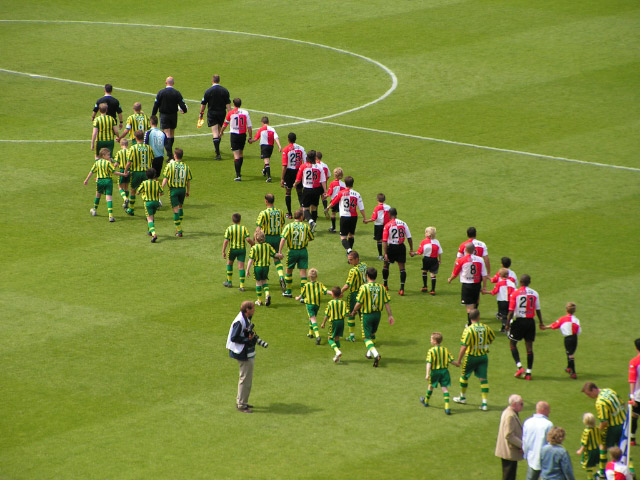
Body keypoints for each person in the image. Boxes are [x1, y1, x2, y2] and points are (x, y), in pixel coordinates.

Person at [350, 267, 395, 368]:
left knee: (366, 337)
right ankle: (369, 353)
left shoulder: (364, 287)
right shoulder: (382, 287)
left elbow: (359, 302)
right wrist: (390, 315)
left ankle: (376, 354)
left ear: (367, 276)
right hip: (377, 315)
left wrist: (354, 311)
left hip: (367, 315)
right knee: (372, 333)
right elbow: (386, 303)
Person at [451, 309, 495, 411]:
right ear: (479, 317)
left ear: (470, 318)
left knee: (464, 377)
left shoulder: (468, 330)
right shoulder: (486, 327)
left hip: (471, 357)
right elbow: (492, 338)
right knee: (483, 379)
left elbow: (464, 347)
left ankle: (462, 397)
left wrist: (458, 360)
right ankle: (484, 404)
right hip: (483, 357)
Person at [581, 382, 627, 476]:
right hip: (623, 424)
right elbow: (623, 404)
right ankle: (629, 469)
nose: (589, 397)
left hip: (612, 428)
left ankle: (602, 473)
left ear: (593, 390)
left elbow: (604, 422)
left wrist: (598, 431)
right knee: (622, 448)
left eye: (589, 394)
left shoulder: (600, 402)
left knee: (603, 446)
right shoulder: (610, 391)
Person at [507, 274, 544, 380]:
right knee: (529, 347)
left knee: (512, 343)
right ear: (529, 282)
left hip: (519, 322)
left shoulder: (515, 293)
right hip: (530, 322)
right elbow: (538, 309)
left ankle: (519, 367)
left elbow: (511, 311)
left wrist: (507, 324)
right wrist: (541, 322)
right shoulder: (535, 293)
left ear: (521, 282)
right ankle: (529, 373)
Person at [226, 301, 258, 413]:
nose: (254, 310)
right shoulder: (239, 321)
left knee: (246, 379)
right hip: (242, 353)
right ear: (247, 310)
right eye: (252, 308)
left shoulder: (246, 318)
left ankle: (243, 401)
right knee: (245, 379)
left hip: (246, 352)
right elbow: (233, 337)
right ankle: (241, 405)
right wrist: (247, 340)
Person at [448, 242, 489, 324]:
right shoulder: (480, 259)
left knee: (469, 307)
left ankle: (470, 324)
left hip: (467, 286)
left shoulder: (461, 260)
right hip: (477, 284)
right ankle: (475, 320)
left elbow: (455, 273)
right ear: (474, 250)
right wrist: (484, 287)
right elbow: (484, 275)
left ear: (465, 250)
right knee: (475, 302)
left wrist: (450, 279)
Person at [279, 209, 314, 298]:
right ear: (301, 217)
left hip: (292, 251)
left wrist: (279, 251)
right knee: (303, 273)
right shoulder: (306, 227)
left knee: (289, 271)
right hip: (303, 251)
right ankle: (303, 295)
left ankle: (289, 291)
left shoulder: (289, 226)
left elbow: (283, 239)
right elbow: (310, 238)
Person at [83, 147, 126, 222]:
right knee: (109, 198)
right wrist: (123, 174)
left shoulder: (97, 163)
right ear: (103, 155)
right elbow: (114, 172)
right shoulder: (108, 163)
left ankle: (95, 209)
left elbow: (92, 172)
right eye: (108, 155)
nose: (109, 156)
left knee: (98, 195)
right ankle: (110, 216)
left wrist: (86, 180)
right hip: (108, 181)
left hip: (100, 181)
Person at [329, 176, 367, 257]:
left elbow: (333, 202)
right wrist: (364, 218)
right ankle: (349, 253)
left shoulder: (341, 193)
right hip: (354, 217)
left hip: (344, 216)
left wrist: (327, 208)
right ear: (353, 183)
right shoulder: (357, 194)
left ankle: (349, 250)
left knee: (343, 237)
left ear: (345, 183)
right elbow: (361, 208)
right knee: (351, 235)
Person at [255, 193, 287, 291]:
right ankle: (281, 276)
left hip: (267, 239)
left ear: (266, 201)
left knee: (263, 260)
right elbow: (282, 223)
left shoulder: (263, 213)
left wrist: (254, 240)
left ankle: (262, 281)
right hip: (277, 237)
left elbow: (258, 229)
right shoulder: (280, 212)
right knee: (277, 259)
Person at [151, 76, 188, 159]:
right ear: (173, 83)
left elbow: (156, 105)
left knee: (166, 134)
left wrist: (153, 115)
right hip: (173, 115)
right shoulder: (176, 93)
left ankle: (170, 155)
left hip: (164, 115)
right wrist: (184, 110)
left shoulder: (161, 92)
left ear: (165, 83)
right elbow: (182, 104)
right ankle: (170, 153)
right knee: (171, 133)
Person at [542, 303, 581, 379]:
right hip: (575, 338)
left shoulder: (563, 319)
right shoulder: (576, 320)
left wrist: (545, 327)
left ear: (566, 310)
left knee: (570, 354)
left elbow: (554, 325)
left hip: (568, 338)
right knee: (570, 352)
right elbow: (579, 330)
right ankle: (569, 368)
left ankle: (573, 373)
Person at [245, 229, 283, 307]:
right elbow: (274, 254)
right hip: (266, 267)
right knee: (265, 282)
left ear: (255, 238)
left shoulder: (254, 248)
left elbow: (250, 260)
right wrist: (280, 255)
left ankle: (259, 300)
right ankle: (267, 294)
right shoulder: (268, 246)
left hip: (257, 268)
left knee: (258, 283)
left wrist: (247, 270)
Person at [420, 332, 454, 415]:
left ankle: (426, 401)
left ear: (435, 341)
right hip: (445, 372)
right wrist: (457, 363)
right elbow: (451, 360)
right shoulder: (445, 349)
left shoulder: (431, 351)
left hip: (435, 372)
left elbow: (429, 363)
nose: (430, 340)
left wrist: (427, 373)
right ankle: (447, 407)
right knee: (444, 388)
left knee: (431, 386)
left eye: (431, 339)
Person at [293, 149, 327, 233]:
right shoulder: (320, 167)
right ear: (315, 157)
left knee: (305, 208)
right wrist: (325, 191)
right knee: (314, 208)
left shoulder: (303, 166)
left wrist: (295, 184)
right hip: (316, 189)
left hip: (307, 189)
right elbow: (323, 180)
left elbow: (298, 178)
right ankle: (313, 226)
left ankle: (311, 222)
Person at [381, 208, 413, 296]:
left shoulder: (387, 225)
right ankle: (402, 289)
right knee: (402, 268)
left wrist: (385, 253)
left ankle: (385, 285)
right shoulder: (403, 223)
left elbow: (384, 240)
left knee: (386, 265)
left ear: (389, 215)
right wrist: (411, 249)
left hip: (391, 247)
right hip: (401, 247)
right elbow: (409, 237)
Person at [123, 130, 155, 216]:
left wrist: (125, 171)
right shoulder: (149, 148)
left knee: (133, 190)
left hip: (136, 173)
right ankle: (148, 213)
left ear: (135, 137)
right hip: (147, 173)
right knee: (147, 193)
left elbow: (129, 162)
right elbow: (152, 159)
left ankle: (131, 209)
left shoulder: (133, 148)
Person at [199, 74, 231, 160]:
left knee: (215, 132)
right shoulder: (224, 91)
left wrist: (201, 114)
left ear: (212, 80)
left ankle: (218, 154)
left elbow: (203, 104)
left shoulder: (208, 91)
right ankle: (217, 149)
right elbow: (228, 104)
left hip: (212, 113)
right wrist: (231, 114)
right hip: (222, 113)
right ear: (219, 80)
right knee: (219, 131)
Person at [220, 98, 252, 181]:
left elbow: (225, 124)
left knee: (236, 155)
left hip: (234, 135)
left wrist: (221, 132)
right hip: (242, 135)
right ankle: (239, 172)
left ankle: (238, 175)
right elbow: (249, 127)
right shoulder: (245, 113)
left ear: (234, 104)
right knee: (241, 153)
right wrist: (250, 137)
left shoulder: (230, 113)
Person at [161, 148, 192, 237]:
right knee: (180, 207)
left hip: (173, 190)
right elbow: (188, 180)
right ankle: (178, 226)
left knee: (175, 210)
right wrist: (188, 191)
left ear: (175, 156)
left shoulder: (170, 166)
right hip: (182, 189)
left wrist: (161, 188)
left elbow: (165, 178)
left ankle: (179, 230)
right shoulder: (186, 166)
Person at [295, 268, 329, 345]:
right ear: (316, 276)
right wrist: (334, 293)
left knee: (313, 319)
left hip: (309, 305)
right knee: (312, 317)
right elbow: (326, 291)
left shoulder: (306, 285)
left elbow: (302, 295)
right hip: (317, 305)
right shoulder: (320, 284)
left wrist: (297, 298)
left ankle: (317, 336)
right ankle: (310, 333)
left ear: (308, 276)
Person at [495, 394, 524, 480]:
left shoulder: (508, 412)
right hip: (509, 451)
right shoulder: (510, 416)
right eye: (521, 404)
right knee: (509, 476)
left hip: (507, 451)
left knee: (509, 475)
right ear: (514, 404)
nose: (523, 406)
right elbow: (509, 435)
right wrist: (522, 445)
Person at [222, 213, 254, 291]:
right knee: (241, 267)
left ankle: (229, 282)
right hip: (241, 250)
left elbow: (226, 241)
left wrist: (223, 251)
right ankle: (242, 286)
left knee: (229, 264)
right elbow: (248, 239)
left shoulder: (229, 229)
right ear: (240, 220)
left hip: (232, 250)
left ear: (232, 220)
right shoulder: (243, 228)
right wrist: (253, 244)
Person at [340, 250, 367, 342]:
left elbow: (347, 285)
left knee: (351, 314)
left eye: (351, 260)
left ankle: (352, 336)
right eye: (348, 259)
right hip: (364, 294)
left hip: (355, 294)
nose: (349, 262)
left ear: (357, 259)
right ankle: (366, 336)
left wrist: (340, 292)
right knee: (362, 315)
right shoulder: (364, 265)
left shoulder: (353, 270)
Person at [523, 401, 553, 480]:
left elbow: (525, 441)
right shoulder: (548, 424)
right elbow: (550, 444)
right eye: (548, 409)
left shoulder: (528, 422)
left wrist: (526, 454)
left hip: (531, 458)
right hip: (544, 460)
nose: (549, 411)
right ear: (543, 409)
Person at [280, 133, 306, 218]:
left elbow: (284, 166)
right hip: (299, 172)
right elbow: (305, 162)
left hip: (289, 172)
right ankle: (303, 212)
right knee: (299, 191)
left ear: (288, 139)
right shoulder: (301, 148)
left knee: (288, 192)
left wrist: (282, 178)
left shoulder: (286, 149)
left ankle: (289, 213)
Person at [249, 116, 281, 183]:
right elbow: (276, 137)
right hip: (271, 146)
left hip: (264, 146)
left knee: (266, 161)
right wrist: (279, 146)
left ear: (262, 123)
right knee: (267, 159)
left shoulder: (261, 129)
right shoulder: (272, 129)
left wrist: (250, 141)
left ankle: (269, 177)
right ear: (268, 122)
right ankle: (264, 170)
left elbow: (255, 139)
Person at [412, 226, 442, 295]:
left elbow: (420, 251)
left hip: (426, 259)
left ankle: (425, 287)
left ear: (428, 234)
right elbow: (440, 252)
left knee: (424, 271)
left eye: (425, 232)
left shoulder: (424, 242)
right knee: (432, 274)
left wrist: (413, 254)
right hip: (434, 259)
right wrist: (439, 260)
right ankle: (433, 290)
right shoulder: (437, 242)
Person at [321, 286, 348, 363]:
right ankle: (337, 358)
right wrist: (352, 314)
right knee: (337, 338)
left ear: (332, 294)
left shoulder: (330, 303)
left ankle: (337, 351)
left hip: (333, 323)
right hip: (341, 322)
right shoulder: (343, 303)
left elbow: (327, 315)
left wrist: (323, 323)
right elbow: (346, 313)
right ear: (340, 294)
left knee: (330, 339)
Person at [136, 168, 163, 243]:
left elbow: (138, 192)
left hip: (148, 203)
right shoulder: (157, 183)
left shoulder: (144, 183)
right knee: (152, 216)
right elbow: (162, 192)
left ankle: (154, 234)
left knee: (149, 219)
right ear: (154, 175)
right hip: (156, 202)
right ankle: (149, 231)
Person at [485, 268, 516, 332]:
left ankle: (505, 327)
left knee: (502, 315)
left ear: (500, 275)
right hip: (510, 301)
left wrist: (485, 292)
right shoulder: (512, 284)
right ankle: (509, 325)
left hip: (501, 301)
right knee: (509, 314)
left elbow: (494, 292)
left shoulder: (499, 283)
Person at [576, 412, 601, 480]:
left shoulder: (586, 431)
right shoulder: (596, 429)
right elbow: (599, 439)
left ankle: (593, 477)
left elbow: (584, 443)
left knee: (588, 467)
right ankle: (596, 474)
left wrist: (580, 451)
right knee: (593, 465)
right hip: (596, 450)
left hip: (589, 452)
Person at [369, 193, 391, 260]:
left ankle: (380, 255)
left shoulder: (377, 208)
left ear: (377, 199)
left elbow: (374, 218)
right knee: (386, 240)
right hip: (387, 225)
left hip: (378, 226)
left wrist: (366, 221)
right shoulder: (388, 207)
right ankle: (387, 255)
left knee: (379, 240)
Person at [325, 167, 345, 233]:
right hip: (341, 202)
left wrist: (325, 196)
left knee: (333, 214)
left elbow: (330, 193)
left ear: (335, 175)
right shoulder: (343, 184)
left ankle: (333, 228)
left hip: (334, 201)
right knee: (342, 215)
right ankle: (343, 229)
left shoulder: (332, 183)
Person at [112, 138, 130, 208]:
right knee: (126, 187)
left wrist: (112, 169)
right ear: (127, 145)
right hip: (128, 171)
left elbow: (116, 163)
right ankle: (125, 203)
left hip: (122, 171)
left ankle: (125, 199)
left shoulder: (119, 152)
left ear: (121, 144)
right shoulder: (130, 152)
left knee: (120, 187)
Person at [628, 338, 640, 446]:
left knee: (634, 416)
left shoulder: (634, 362)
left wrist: (632, 397)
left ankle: (632, 438)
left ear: (636, 348)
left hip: (637, 395)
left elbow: (632, 380)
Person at [316, 151, 330, 217]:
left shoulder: (315, 165)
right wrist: (325, 181)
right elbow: (329, 175)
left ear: (316, 157)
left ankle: (315, 213)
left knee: (315, 199)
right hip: (323, 184)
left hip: (316, 184)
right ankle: (325, 208)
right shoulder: (325, 165)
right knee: (324, 198)